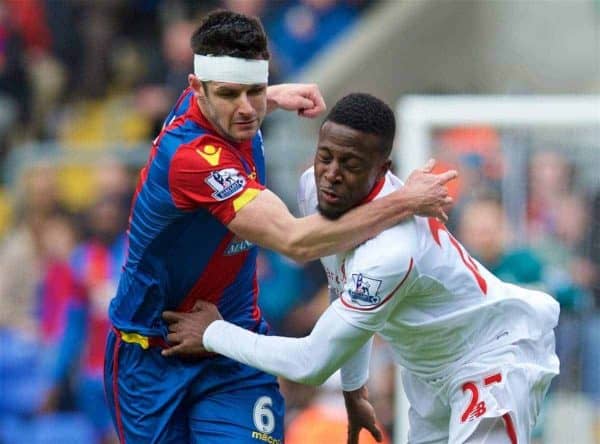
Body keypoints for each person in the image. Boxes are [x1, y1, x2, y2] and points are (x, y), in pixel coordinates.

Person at [104, 11, 456, 444]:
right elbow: (296, 240)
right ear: (196, 90)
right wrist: (405, 201)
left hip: (233, 346)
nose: (247, 109)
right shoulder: (191, 159)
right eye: (231, 94)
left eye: (255, 91)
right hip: (154, 355)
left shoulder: (227, 106)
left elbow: (238, 95)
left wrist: (274, 95)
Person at [164, 93, 560, 444]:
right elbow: (342, 293)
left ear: (382, 167)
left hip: (492, 359)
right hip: (427, 375)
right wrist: (355, 392)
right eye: (325, 157)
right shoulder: (311, 189)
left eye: (350, 163)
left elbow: (312, 363)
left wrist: (214, 333)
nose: (331, 174)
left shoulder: (391, 250)